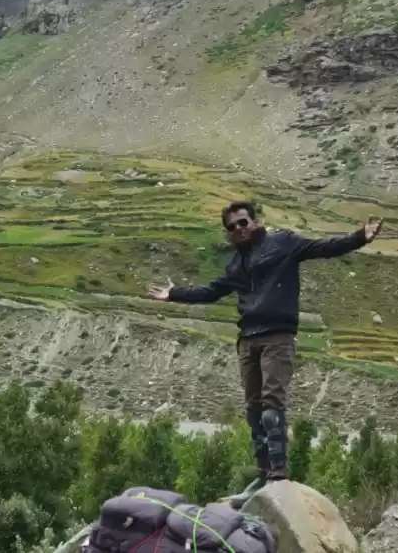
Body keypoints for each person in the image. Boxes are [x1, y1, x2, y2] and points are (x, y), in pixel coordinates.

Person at [147, 200, 383, 505]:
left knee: (273, 407)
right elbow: (211, 291)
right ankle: (262, 475)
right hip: (248, 340)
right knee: (254, 411)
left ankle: (278, 477)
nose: (238, 230)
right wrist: (174, 294)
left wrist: (359, 237)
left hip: (277, 337)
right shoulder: (234, 264)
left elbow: (323, 247)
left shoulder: (283, 243)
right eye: (231, 227)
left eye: (243, 223)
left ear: (255, 221)